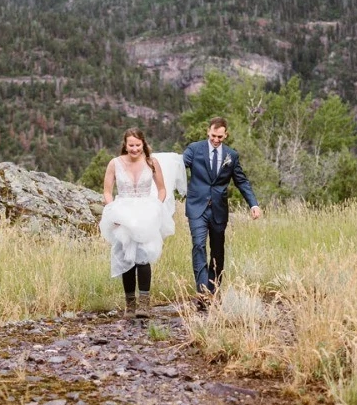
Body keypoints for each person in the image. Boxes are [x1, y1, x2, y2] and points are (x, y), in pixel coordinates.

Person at [182, 117, 261, 306]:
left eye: (220, 137)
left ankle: (213, 290)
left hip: (218, 209)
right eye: (213, 136)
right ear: (208, 132)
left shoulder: (231, 155)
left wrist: (253, 204)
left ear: (226, 135)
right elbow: (178, 167)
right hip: (197, 207)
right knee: (199, 245)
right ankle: (202, 292)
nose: (216, 140)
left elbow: (241, 181)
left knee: (217, 251)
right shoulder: (194, 149)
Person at [99, 128, 176, 318]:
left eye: (137, 145)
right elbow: (107, 191)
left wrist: (157, 208)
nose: (134, 149)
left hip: (146, 211)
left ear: (143, 144)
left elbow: (162, 189)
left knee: (144, 256)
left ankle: (144, 304)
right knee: (126, 257)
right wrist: (112, 211)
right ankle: (130, 305)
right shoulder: (114, 163)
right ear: (125, 145)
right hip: (123, 211)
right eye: (131, 145)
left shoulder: (151, 162)